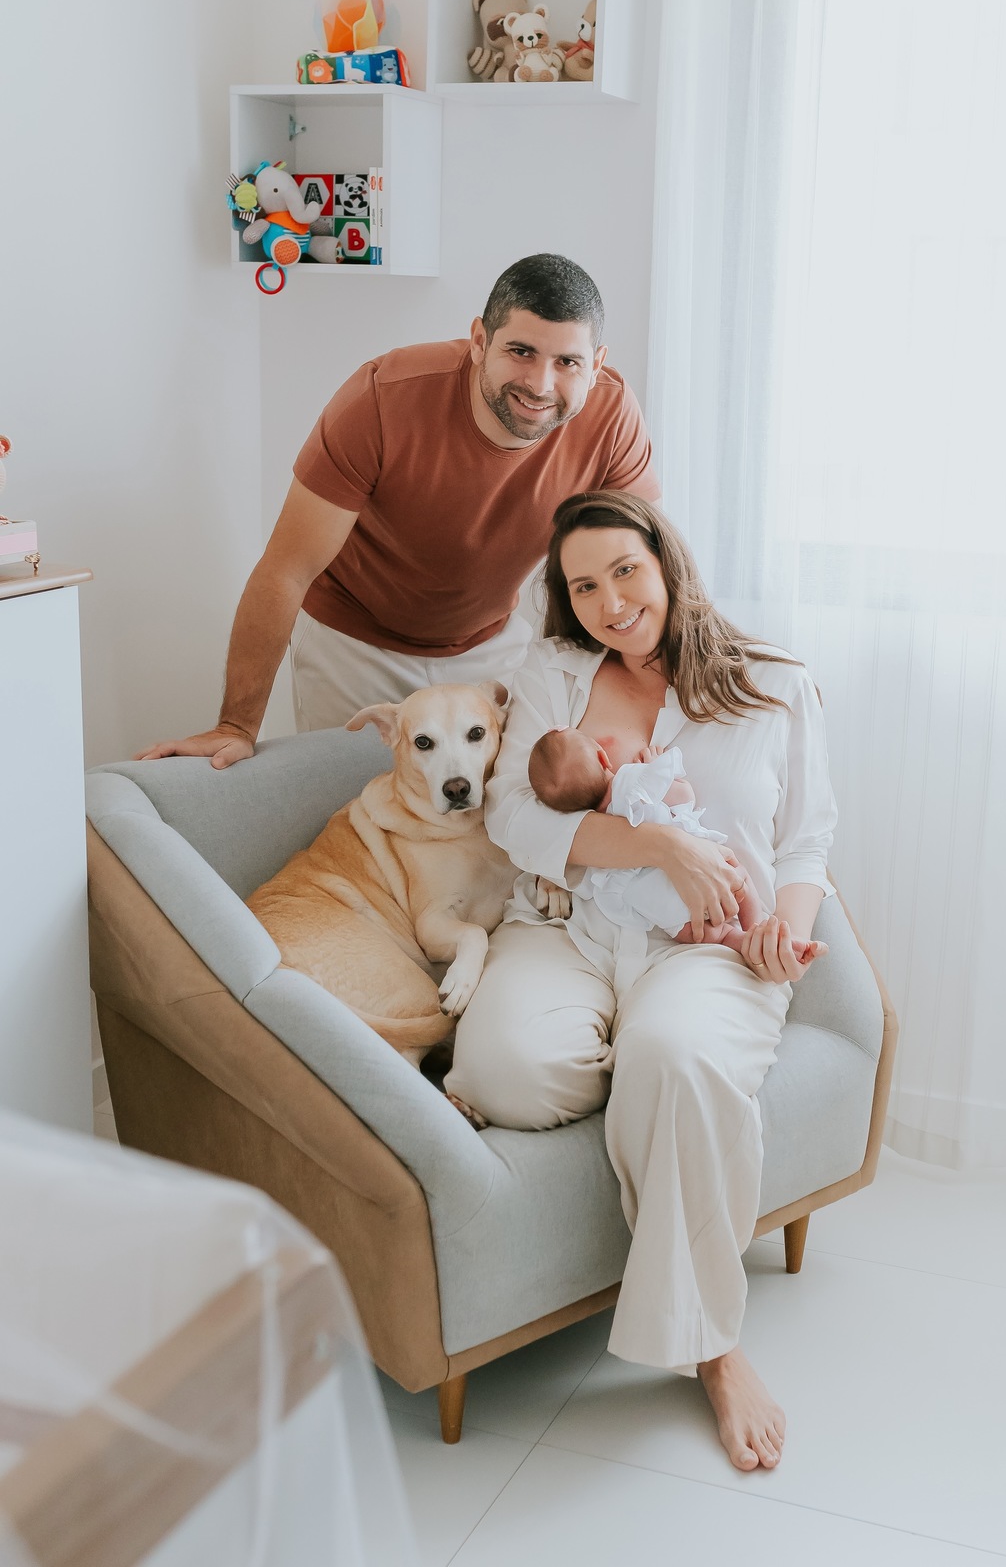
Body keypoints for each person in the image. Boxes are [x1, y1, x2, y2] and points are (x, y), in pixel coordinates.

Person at [444, 490, 837, 1474]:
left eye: (625, 570)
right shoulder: (551, 674)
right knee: (503, 1073)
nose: (611, 602)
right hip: (567, 926)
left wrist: (781, 940)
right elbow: (514, 818)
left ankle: (713, 1347)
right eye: (584, 587)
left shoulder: (774, 683)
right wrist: (661, 846)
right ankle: (655, 1089)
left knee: (673, 1055)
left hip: (711, 945)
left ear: (666, 561)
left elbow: (806, 843)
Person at [137, 255, 658, 766]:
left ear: (597, 364)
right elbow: (286, 570)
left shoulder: (612, 414)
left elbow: (649, 566)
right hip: (355, 644)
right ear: (479, 341)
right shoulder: (382, 398)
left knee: (503, 805)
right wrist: (236, 726)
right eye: (521, 351)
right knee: (346, 805)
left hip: (490, 641)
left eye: (567, 362)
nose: (541, 384)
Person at [527, 731, 829, 970]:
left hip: (668, 910)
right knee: (741, 881)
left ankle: (741, 940)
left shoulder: (593, 844)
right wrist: (656, 770)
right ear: (603, 758)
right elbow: (684, 796)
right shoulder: (632, 782)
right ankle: (759, 931)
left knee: (721, 935)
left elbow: (606, 897)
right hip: (711, 873)